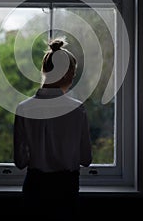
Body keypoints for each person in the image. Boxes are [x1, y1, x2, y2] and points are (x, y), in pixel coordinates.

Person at [13, 37, 92, 218]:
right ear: (66, 74)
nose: (72, 80)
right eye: (72, 75)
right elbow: (86, 158)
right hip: (66, 189)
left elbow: (20, 162)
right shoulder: (77, 109)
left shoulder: (24, 108)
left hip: (35, 187)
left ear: (44, 70)